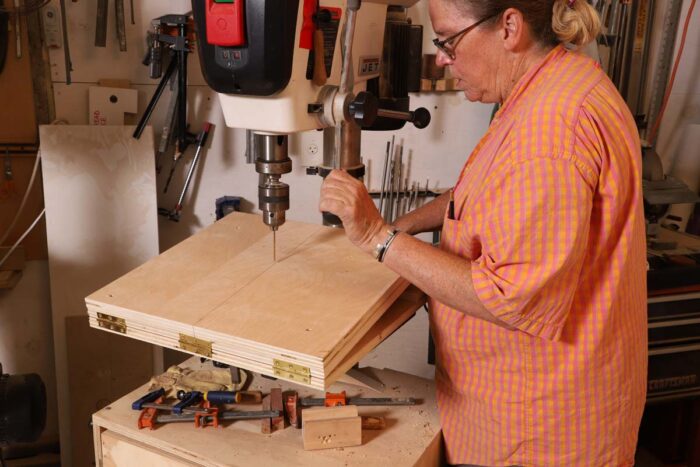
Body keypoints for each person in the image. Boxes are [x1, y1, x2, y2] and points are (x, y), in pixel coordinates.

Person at [320, 0, 648, 465]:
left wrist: (378, 237)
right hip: (526, 403)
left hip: (539, 431)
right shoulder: (552, 84)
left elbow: (509, 297)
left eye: (448, 41)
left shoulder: (550, 132)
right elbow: (482, 191)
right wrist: (404, 226)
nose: (441, 59)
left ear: (510, 27)